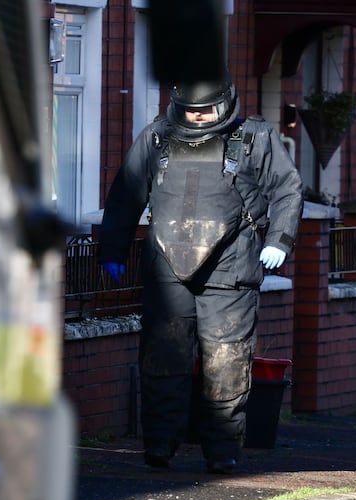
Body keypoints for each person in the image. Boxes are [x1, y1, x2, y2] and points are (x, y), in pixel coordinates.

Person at [98, 73, 303, 474]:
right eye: (189, 112)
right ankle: (159, 444)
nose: (197, 118)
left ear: (225, 104)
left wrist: (279, 240)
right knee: (163, 360)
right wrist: (113, 248)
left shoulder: (255, 138)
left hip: (231, 270)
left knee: (225, 361)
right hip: (166, 270)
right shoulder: (157, 137)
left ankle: (222, 450)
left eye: (204, 111)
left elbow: (286, 189)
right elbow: (126, 192)